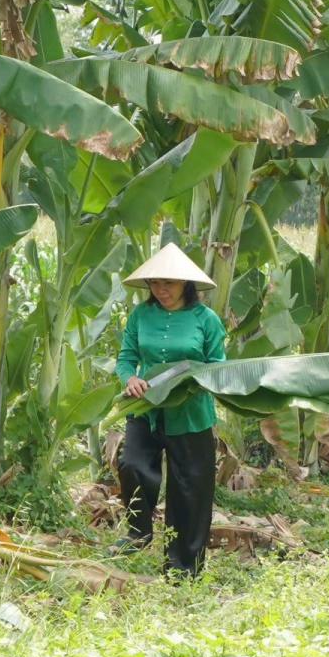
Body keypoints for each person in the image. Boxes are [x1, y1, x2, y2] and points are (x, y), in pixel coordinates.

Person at [115, 242, 225, 577]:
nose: (160, 290)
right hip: (146, 409)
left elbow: (217, 366)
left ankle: (183, 569)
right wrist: (130, 377)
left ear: (187, 284)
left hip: (191, 415)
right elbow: (126, 357)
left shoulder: (206, 320)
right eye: (154, 283)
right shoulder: (140, 315)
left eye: (169, 283)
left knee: (190, 491)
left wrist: (194, 382)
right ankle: (139, 532)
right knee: (131, 465)